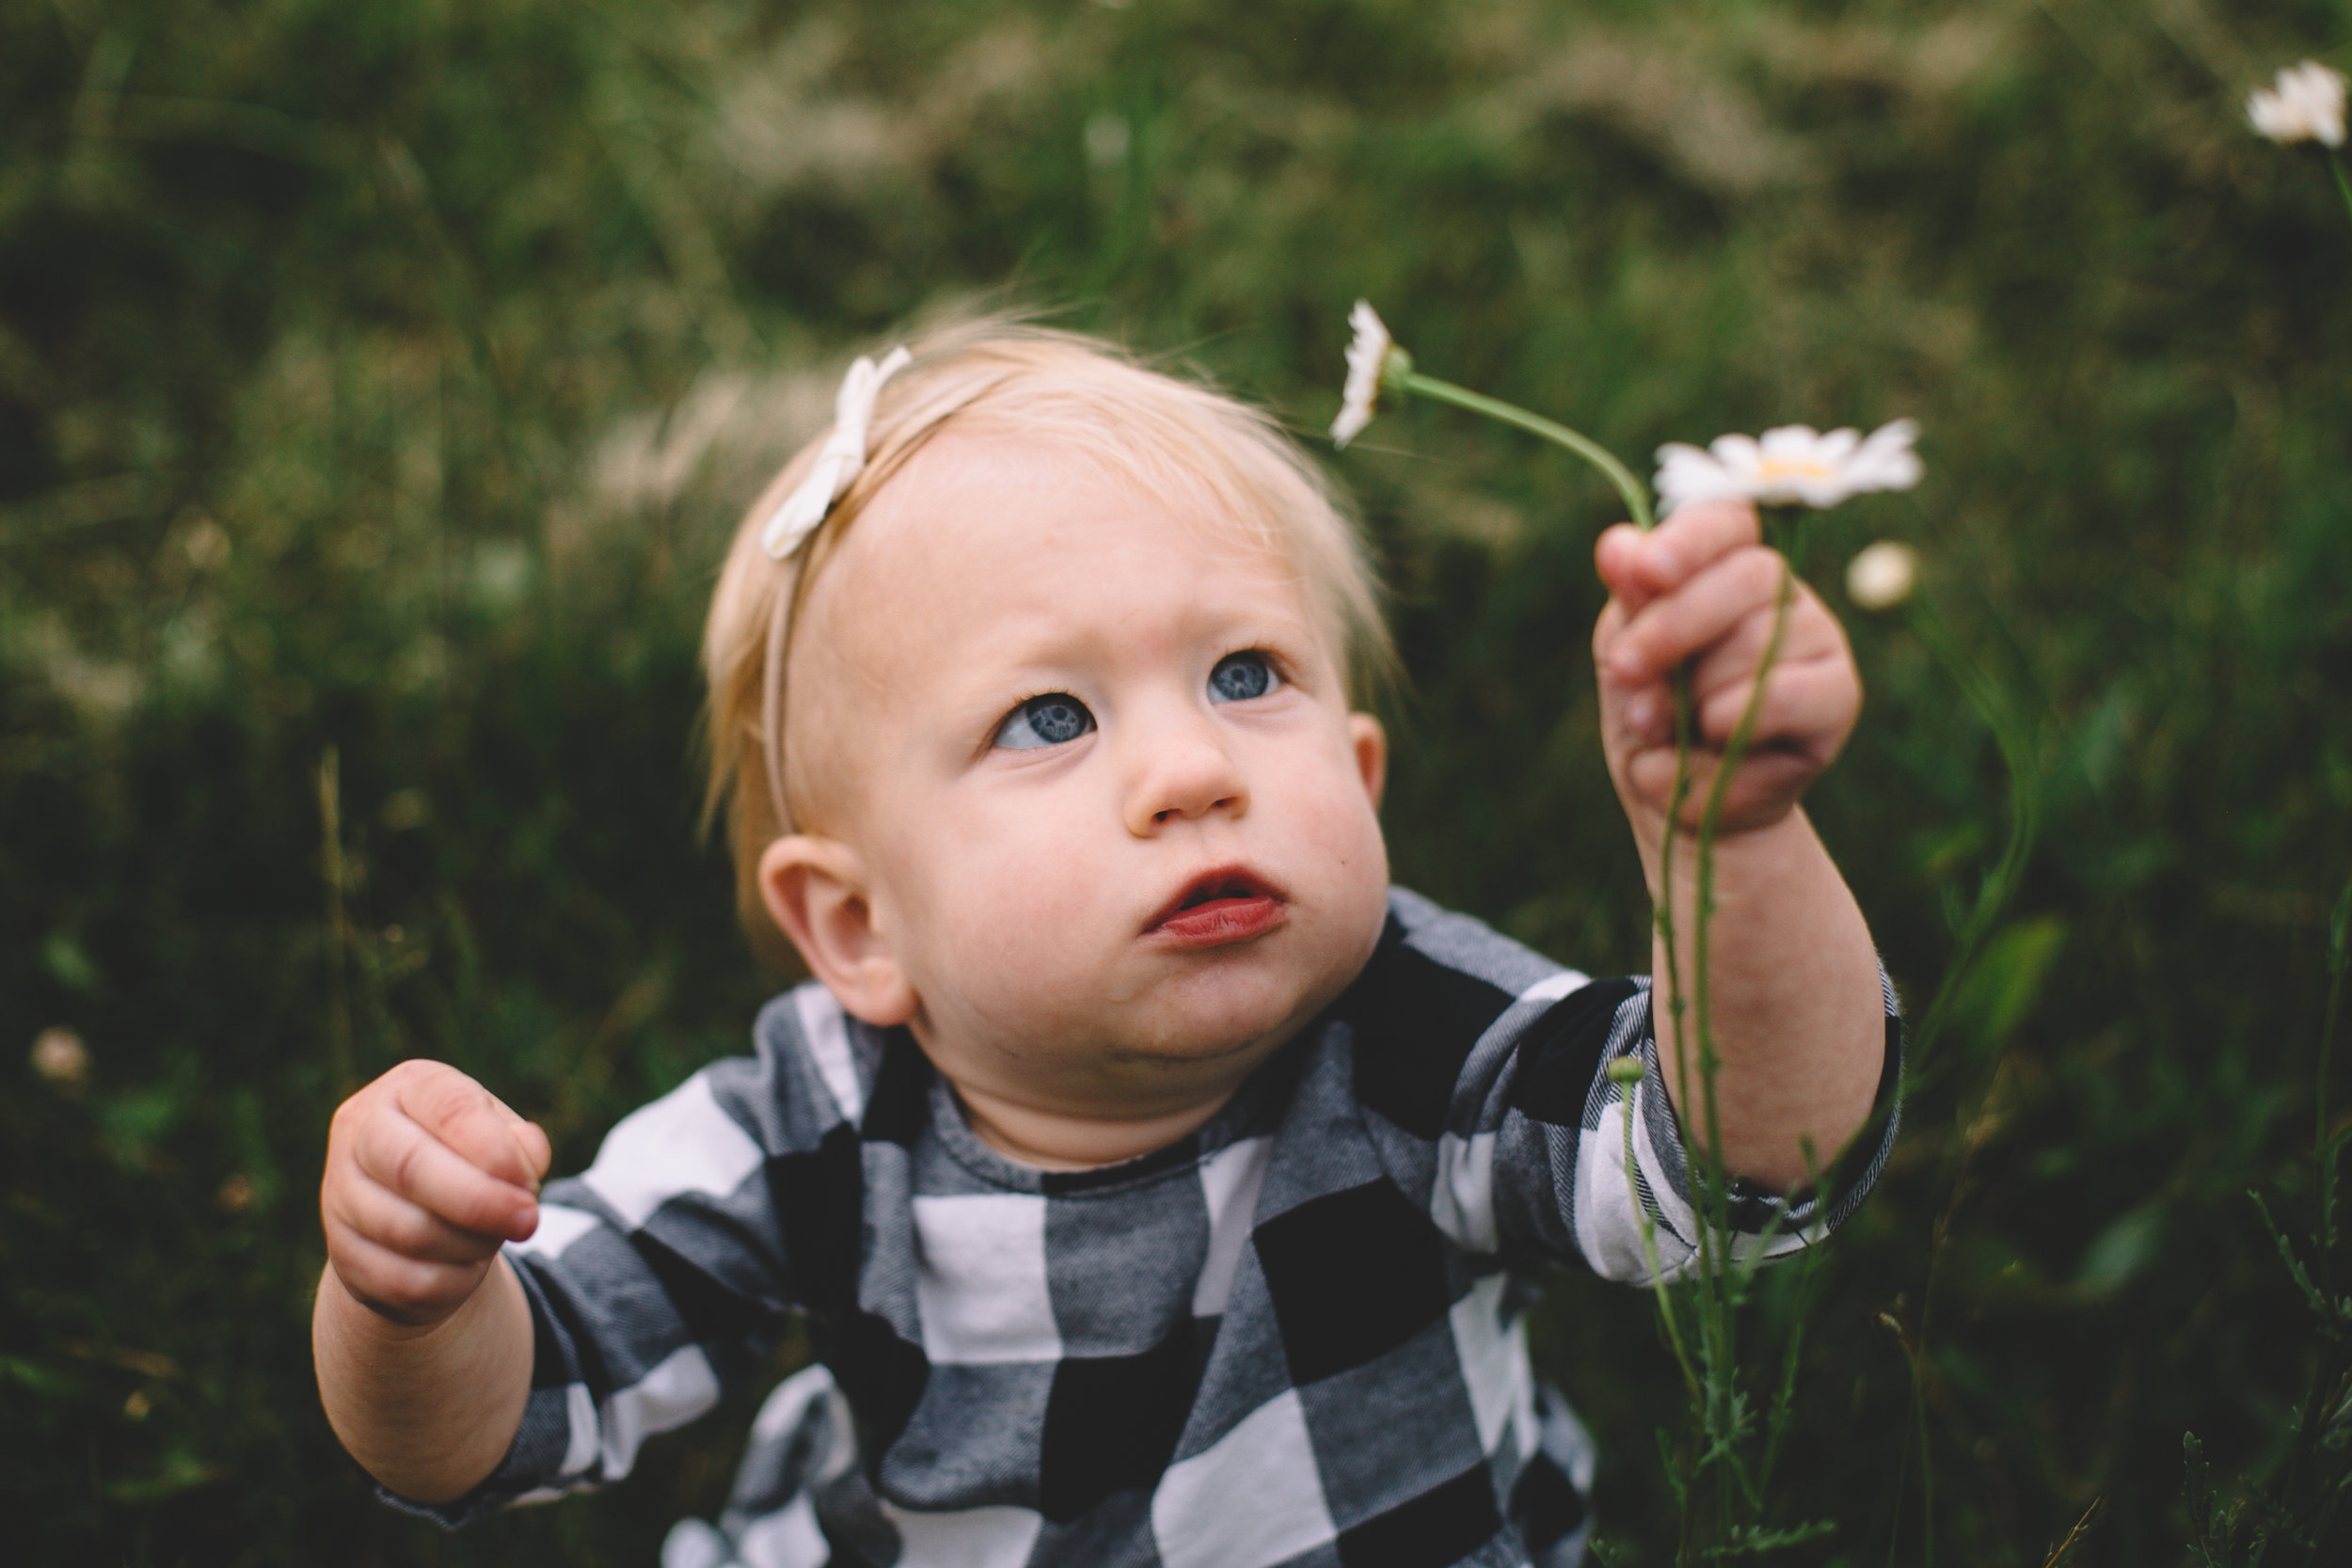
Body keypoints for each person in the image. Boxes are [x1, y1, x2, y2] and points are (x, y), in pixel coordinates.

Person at [311, 322, 1899, 1568]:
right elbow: (497, 1421)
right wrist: (416, 1305)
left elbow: (1750, 1168)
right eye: (1050, 716)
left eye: (1247, 675)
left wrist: (1728, 849)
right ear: (861, 930)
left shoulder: (1411, 1039)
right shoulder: (808, 1128)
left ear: (1359, 782)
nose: (1195, 771)